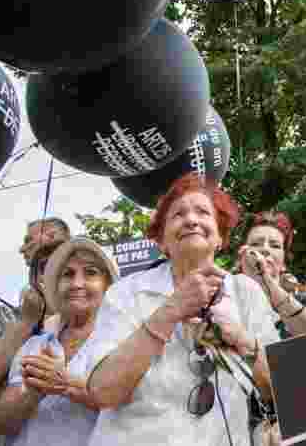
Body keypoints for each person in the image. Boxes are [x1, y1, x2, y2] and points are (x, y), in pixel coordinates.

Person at [84, 174, 280, 446]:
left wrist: (239, 339)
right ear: (162, 242)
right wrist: (169, 312)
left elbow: (279, 387)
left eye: (203, 212)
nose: (191, 220)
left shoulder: (245, 292)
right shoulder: (127, 293)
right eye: (178, 214)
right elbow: (103, 392)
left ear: (221, 237)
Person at [0, 237, 118, 444]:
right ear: (57, 287)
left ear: (108, 285)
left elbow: (135, 408)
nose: (77, 283)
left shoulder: (123, 340)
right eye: (67, 274)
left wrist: (65, 383)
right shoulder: (35, 345)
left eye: (91, 273)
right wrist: (32, 392)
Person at [0, 221, 70, 446]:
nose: (21, 249)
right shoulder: (2, 317)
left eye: (28, 240)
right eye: (42, 268)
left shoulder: (94, 324)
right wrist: (26, 322)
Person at [237, 211, 306, 339]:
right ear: (241, 255)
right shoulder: (224, 295)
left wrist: (267, 282)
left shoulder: (304, 295)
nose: (265, 249)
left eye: (275, 245)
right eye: (255, 244)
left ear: (284, 262)